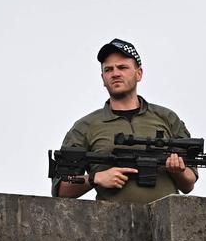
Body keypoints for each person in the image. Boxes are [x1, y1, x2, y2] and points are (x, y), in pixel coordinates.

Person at [53, 38, 197, 204]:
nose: (115, 73)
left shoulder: (167, 118)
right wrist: (95, 178)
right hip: (111, 224)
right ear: (103, 78)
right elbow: (61, 190)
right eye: (108, 69)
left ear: (139, 73)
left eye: (122, 67)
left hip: (165, 223)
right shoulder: (85, 127)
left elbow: (189, 184)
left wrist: (178, 170)